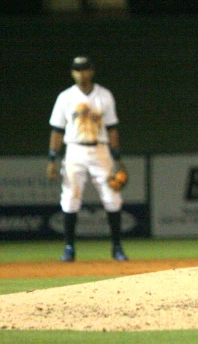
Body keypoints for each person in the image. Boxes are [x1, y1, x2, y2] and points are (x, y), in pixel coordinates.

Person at [45, 55, 129, 262]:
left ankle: (117, 248)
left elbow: (112, 128)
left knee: (112, 197)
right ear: (72, 72)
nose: (81, 72)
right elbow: (57, 130)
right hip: (74, 150)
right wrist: (52, 159)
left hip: (100, 150)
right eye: (77, 69)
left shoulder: (104, 95)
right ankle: (69, 248)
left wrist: (117, 158)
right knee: (70, 198)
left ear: (91, 71)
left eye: (84, 68)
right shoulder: (65, 97)